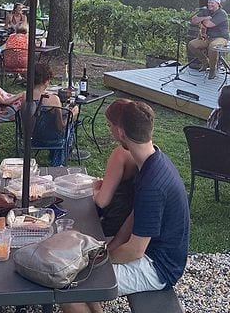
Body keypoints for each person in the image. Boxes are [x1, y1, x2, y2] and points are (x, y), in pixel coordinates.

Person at [63, 100, 189, 313]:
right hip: (152, 254)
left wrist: (98, 264)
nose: (111, 130)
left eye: (111, 127)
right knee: (82, 273)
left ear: (121, 133)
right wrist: (103, 254)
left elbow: (135, 251)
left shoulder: (153, 184)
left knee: (68, 288)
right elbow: (131, 221)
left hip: (158, 267)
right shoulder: (151, 161)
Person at [92, 99, 138, 237]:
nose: (110, 130)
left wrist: (94, 189)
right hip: (130, 222)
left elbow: (102, 201)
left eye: (109, 125)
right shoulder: (141, 150)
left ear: (118, 128)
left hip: (113, 224)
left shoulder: (121, 154)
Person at [32, 63, 78, 166]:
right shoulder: (53, 99)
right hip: (53, 140)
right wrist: (72, 114)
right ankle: (58, 161)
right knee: (69, 125)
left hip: (31, 137)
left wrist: (63, 110)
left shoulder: (24, 96)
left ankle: (54, 155)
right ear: (46, 80)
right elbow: (60, 126)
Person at [187, 0, 230, 78]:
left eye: (212, 3)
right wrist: (206, 17)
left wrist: (201, 20)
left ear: (218, 4)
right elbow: (193, 20)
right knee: (192, 44)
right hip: (208, 38)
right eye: (209, 2)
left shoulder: (222, 13)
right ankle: (204, 62)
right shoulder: (206, 11)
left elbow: (208, 24)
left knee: (213, 46)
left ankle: (212, 69)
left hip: (221, 38)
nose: (209, 4)